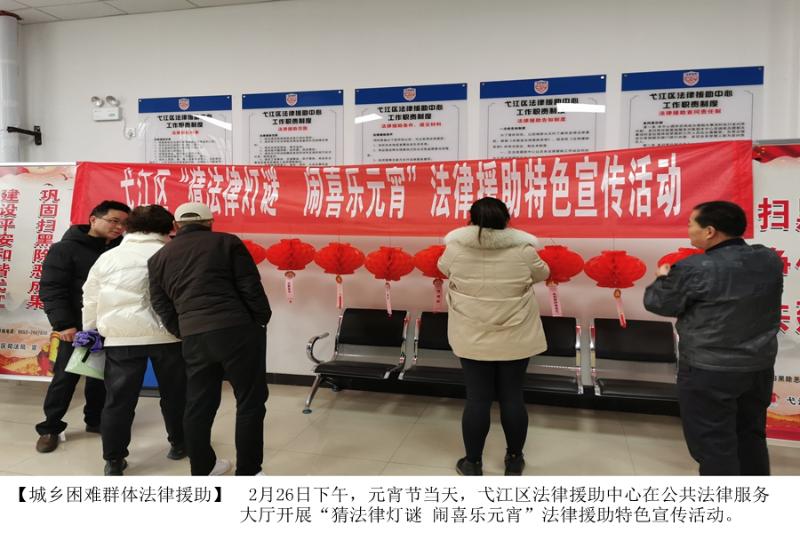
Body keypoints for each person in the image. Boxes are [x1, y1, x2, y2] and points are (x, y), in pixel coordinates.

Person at [644, 201, 784, 475]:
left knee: (714, 445)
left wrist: (662, 278)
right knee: (751, 437)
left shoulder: (695, 267)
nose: (688, 230)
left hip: (709, 370)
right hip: (758, 367)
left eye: (690, 224)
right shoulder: (768, 260)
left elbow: (659, 303)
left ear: (709, 231)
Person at [147, 202, 271, 476]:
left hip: (194, 335)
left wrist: (182, 329)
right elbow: (249, 285)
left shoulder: (158, 258)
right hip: (236, 329)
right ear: (210, 222)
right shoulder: (226, 243)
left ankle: (202, 469)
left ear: (176, 226)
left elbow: (160, 303)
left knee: (198, 404)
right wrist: (261, 318)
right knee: (249, 400)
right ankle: (249, 472)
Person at [437, 197, 550, 476]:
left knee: (477, 400)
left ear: (471, 219)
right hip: (516, 335)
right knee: (512, 398)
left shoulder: (455, 249)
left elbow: (443, 269)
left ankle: (472, 463)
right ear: (506, 219)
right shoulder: (523, 250)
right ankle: (514, 460)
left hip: (472, 336)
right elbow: (543, 273)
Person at [81, 205, 187, 476]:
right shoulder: (173, 254)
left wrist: (90, 330)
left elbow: (90, 298)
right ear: (170, 229)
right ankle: (179, 444)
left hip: (120, 338)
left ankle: (114, 460)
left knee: (119, 401)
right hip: (169, 337)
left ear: (128, 227)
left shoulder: (108, 258)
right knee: (176, 395)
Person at [35, 200, 131, 453]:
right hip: (76, 328)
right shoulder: (65, 249)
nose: (119, 227)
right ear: (93, 219)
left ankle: (95, 420)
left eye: (124, 223)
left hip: (110, 325)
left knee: (101, 376)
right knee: (66, 378)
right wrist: (64, 324)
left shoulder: (122, 250)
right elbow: (52, 289)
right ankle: (50, 427)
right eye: (114, 221)